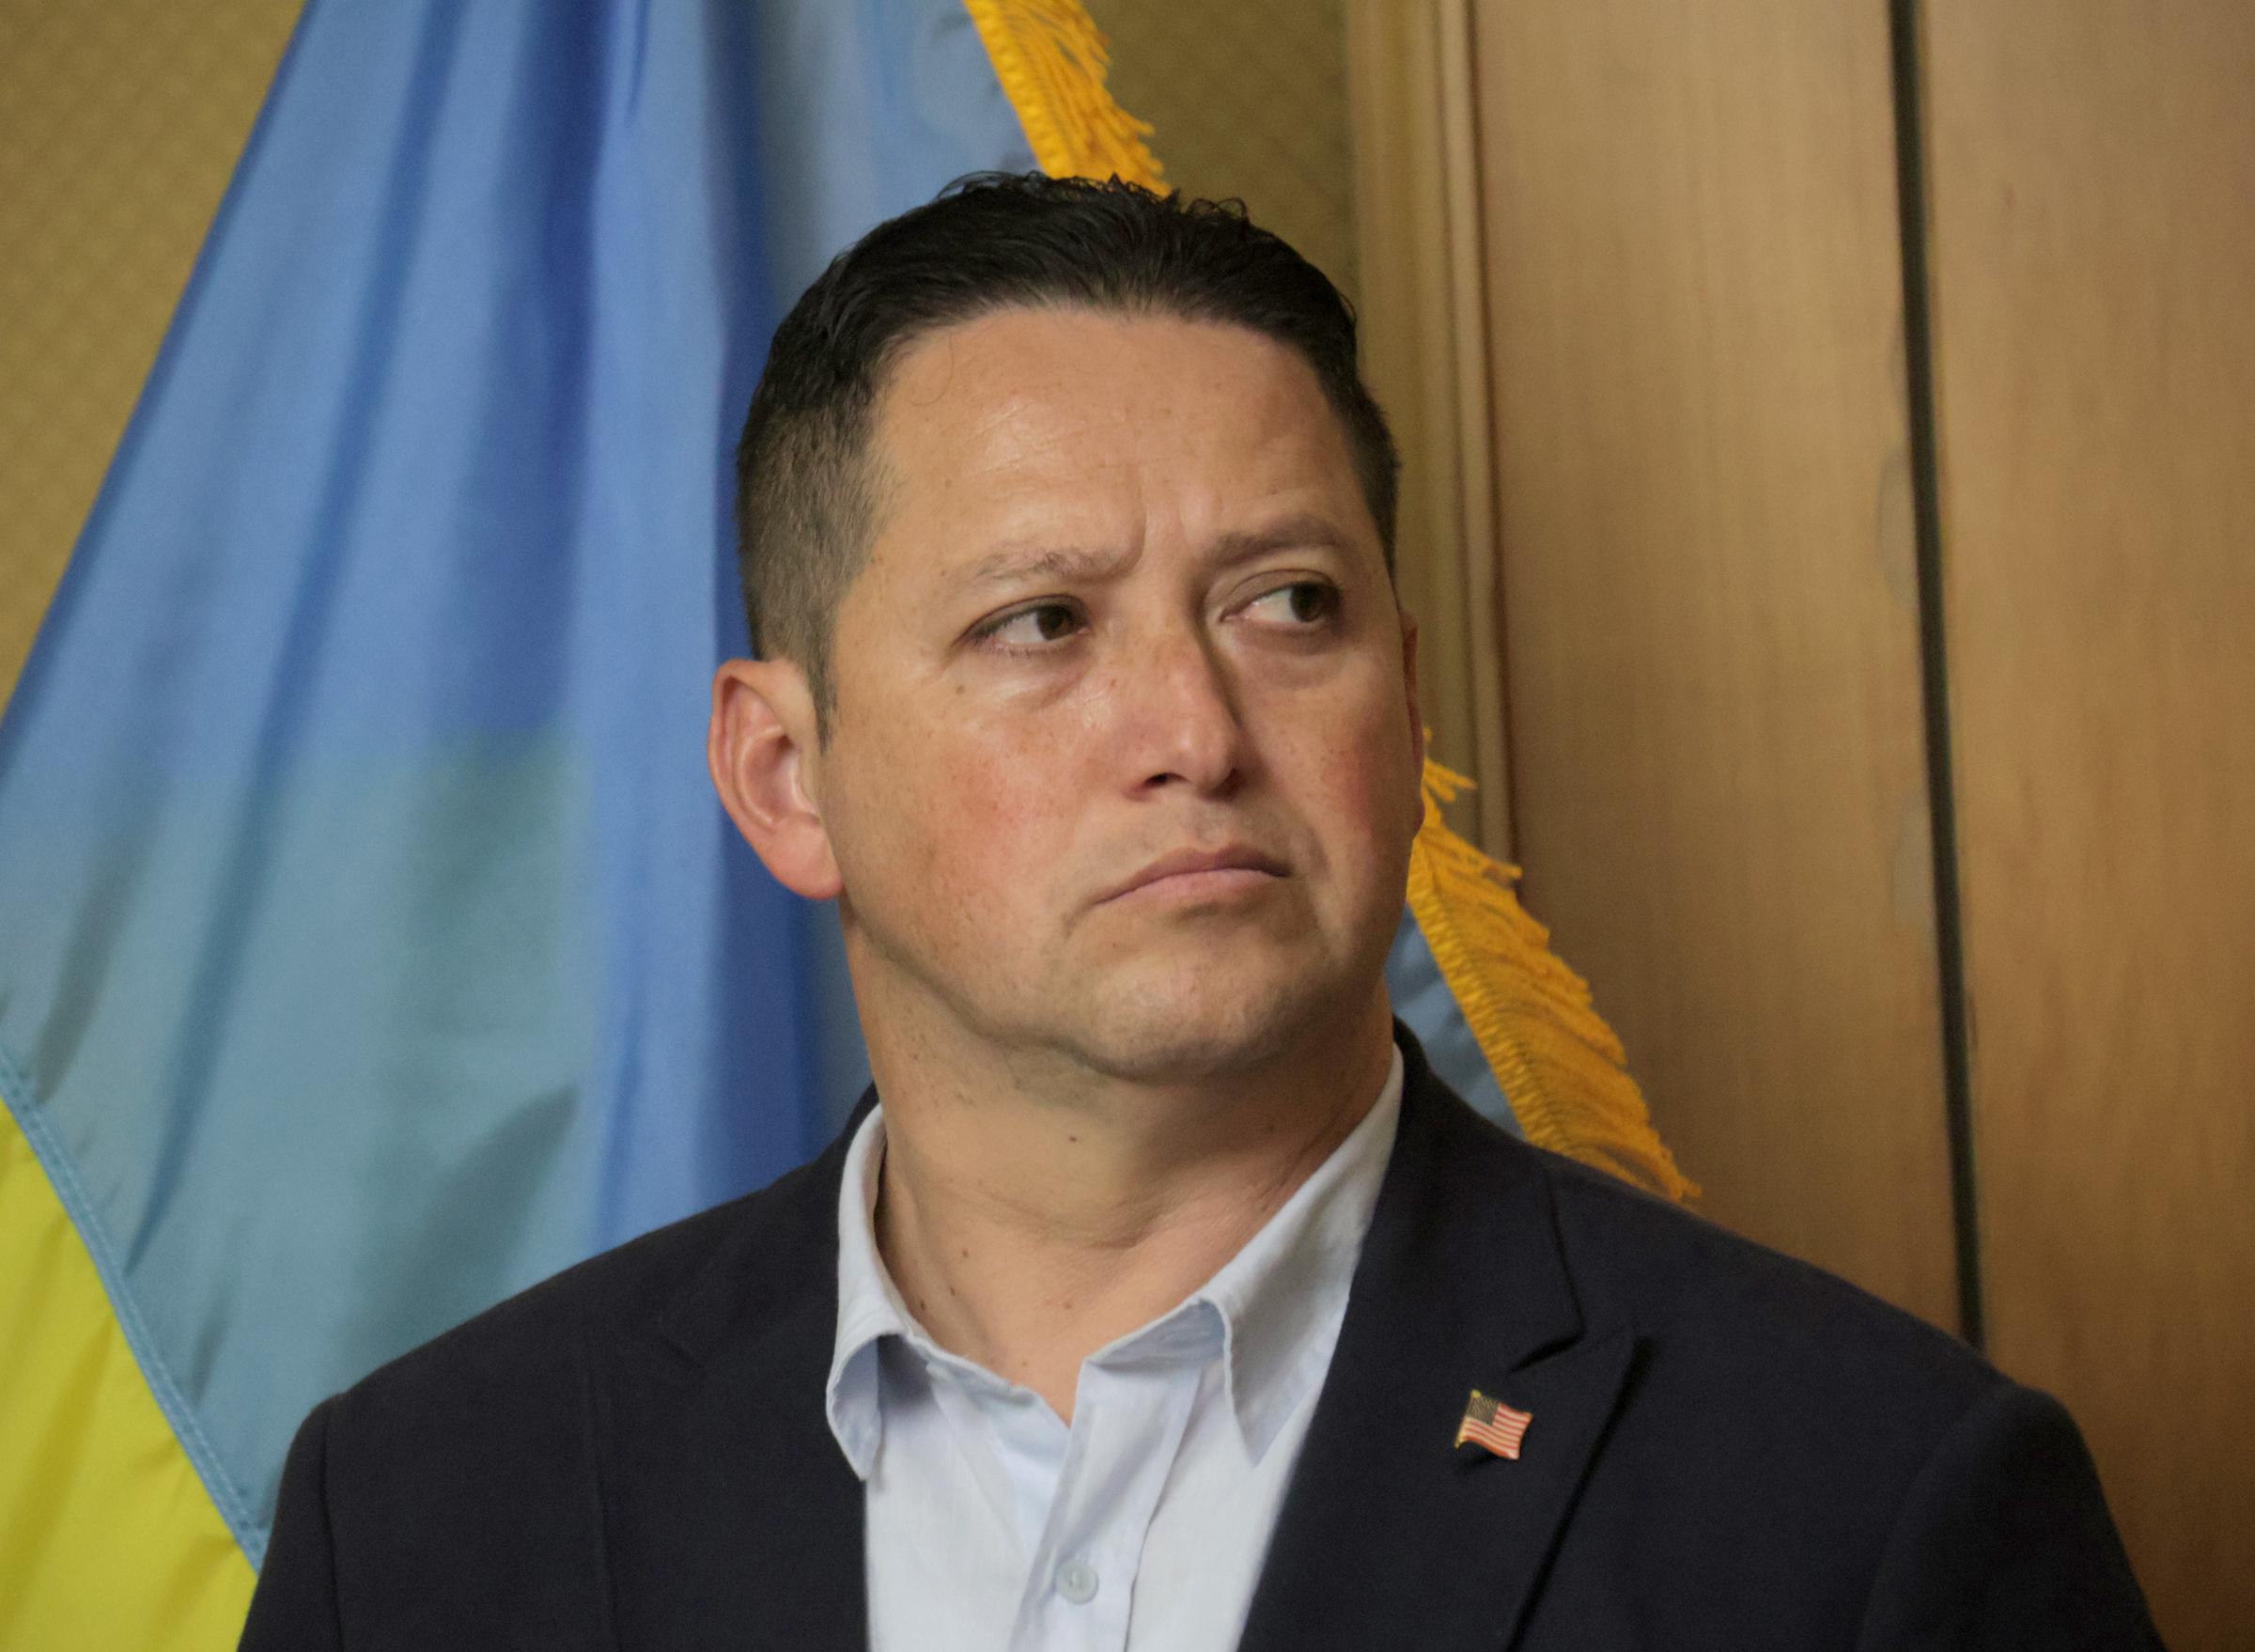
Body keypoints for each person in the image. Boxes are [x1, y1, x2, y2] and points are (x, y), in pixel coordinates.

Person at [240, 172, 2159, 1650]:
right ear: (784, 778)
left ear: (1405, 701)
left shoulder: (1868, 1505)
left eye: (1288, 605)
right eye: (1041, 623)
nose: (1192, 728)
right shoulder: (421, 1517)